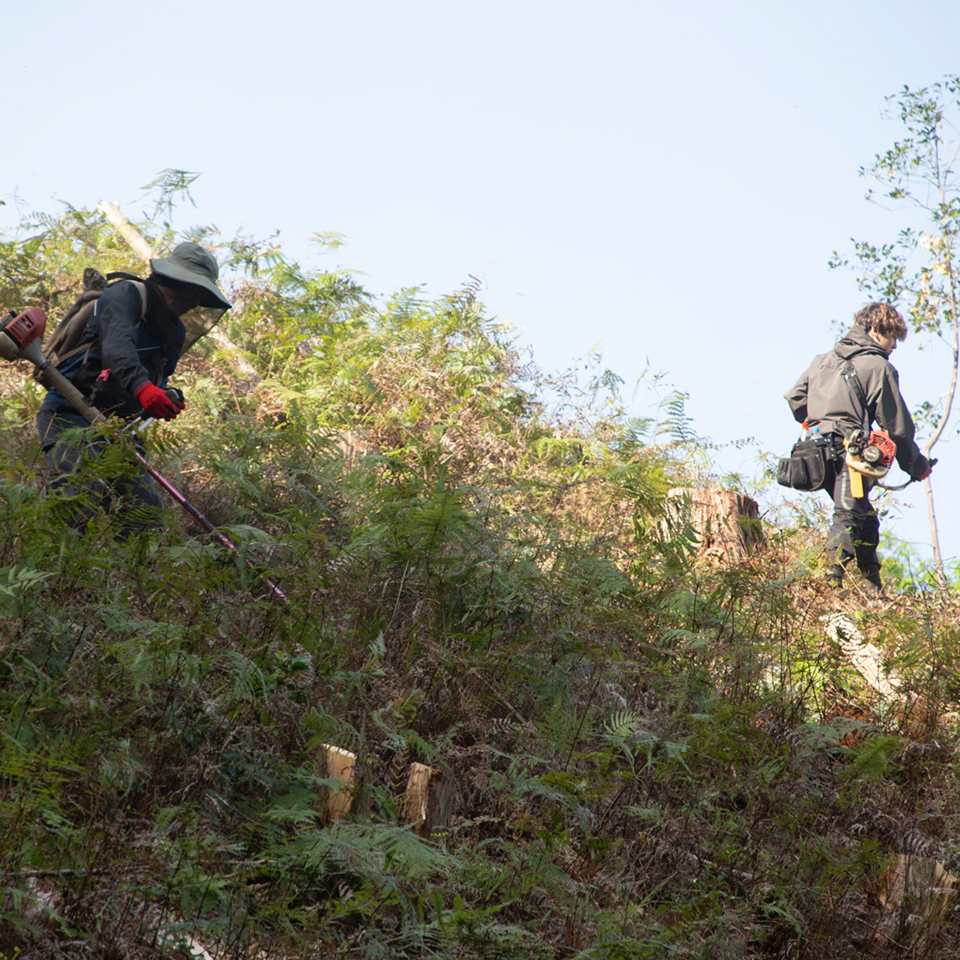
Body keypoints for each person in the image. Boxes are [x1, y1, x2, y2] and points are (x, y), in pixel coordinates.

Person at [36, 242, 232, 537]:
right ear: (176, 281)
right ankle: (57, 577)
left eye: (202, 295)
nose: (195, 301)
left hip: (120, 432)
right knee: (75, 500)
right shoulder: (126, 294)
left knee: (144, 519)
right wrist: (144, 389)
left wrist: (163, 396)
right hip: (71, 411)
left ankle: (127, 581)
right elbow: (117, 347)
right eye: (194, 291)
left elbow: (159, 378)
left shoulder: (175, 330)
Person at [784, 302, 932, 596]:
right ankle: (830, 584)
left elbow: (795, 399)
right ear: (876, 331)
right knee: (849, 515)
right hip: (847, 454)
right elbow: (897, 428)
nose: (894, 346)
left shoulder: (822, 360)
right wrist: (916, 465)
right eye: (892, 338)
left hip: (811, 453)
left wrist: (820, 419)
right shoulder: (878, 367)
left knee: (865, 517)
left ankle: (872, 590)